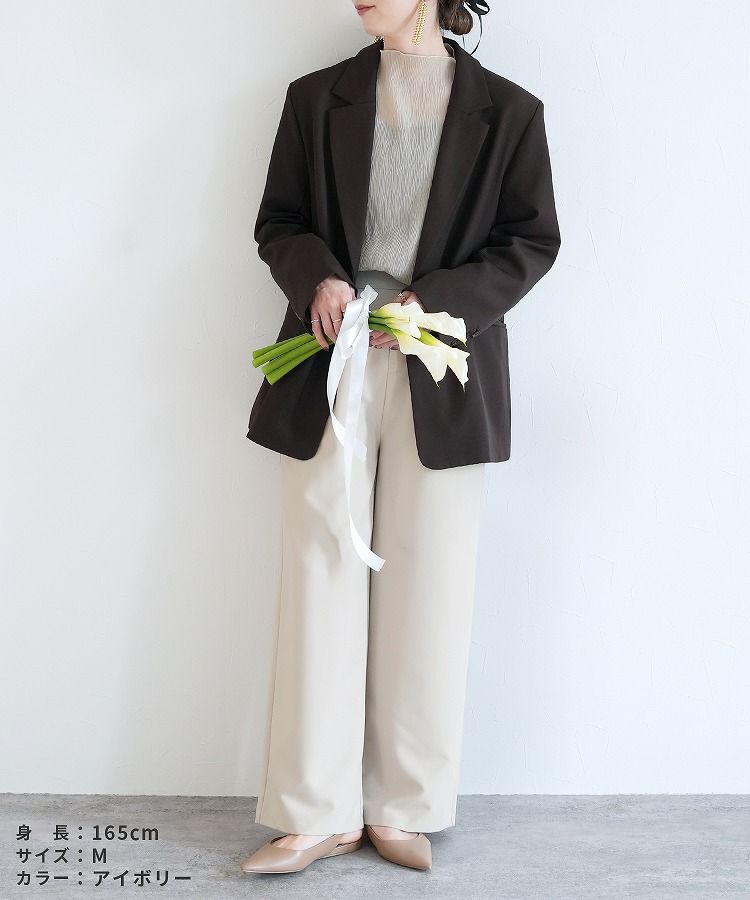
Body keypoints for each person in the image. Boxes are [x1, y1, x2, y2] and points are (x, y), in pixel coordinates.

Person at [241, 0, 561, 876]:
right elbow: (279, 221)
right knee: (320, 573)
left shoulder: (510, 112)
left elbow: (531, 241)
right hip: (328, 363)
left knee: (432, 581)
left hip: (443, 369)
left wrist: (437, 303)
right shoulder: (316, 98)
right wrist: (320, 280)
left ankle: (405, 807)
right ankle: (316, 812)